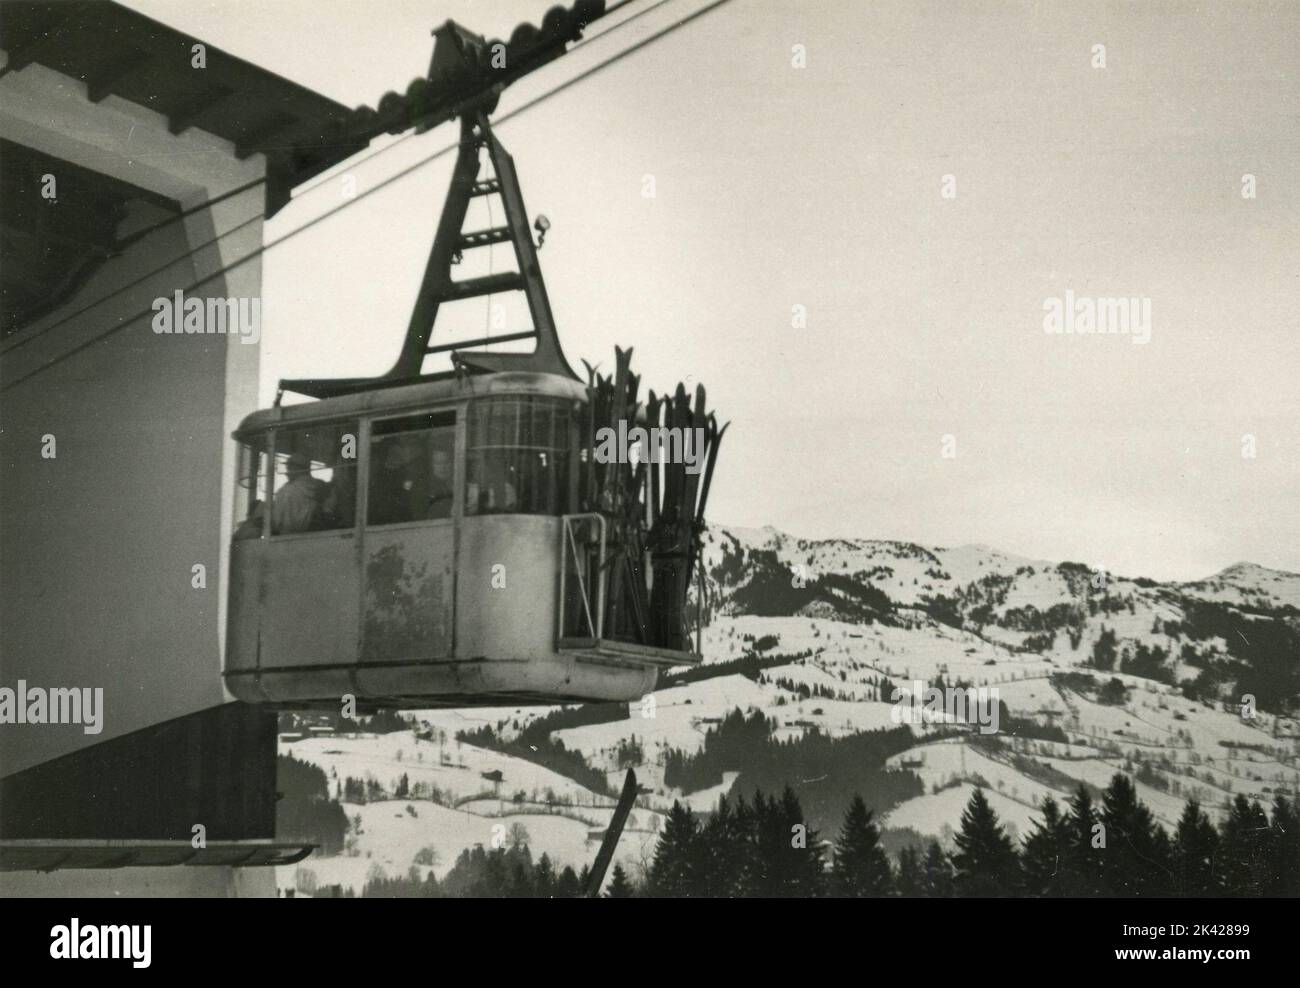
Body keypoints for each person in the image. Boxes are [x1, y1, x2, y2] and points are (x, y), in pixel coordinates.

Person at [272, 452, 328, 534]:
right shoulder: (320, 485)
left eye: (290, 468)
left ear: (297, 469)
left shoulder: (286, 491)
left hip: (286, 537)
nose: (287, 472)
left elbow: (277, 522)